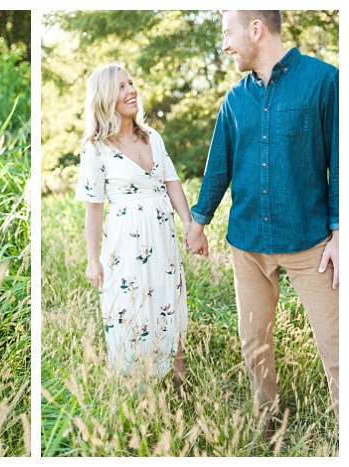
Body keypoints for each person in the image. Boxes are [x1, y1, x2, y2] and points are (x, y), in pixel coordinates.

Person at [186, 10, 339, 427]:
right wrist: (198, 223)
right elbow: (219, 165)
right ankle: (267, 424)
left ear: (256, 29)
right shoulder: (235, 100)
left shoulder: (326, 82)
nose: (225, 44)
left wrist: (340, 232)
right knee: (254, 344)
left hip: (312, 244)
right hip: (248, 243)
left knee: (337, 345)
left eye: (227, 33)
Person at [75, 64, 192, 384]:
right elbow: (94, 207)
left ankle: (180, 387)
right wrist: (92, 258)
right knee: (131, 308)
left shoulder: (152, 136)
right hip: (126, 241)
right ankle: (136, 390)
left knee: (170, 305)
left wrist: (188, 224)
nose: (131, 90)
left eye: (131, 83)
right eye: (121, 87)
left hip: (163, 237)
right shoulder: (96, 148)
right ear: (105, 98)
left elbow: (171, 181)